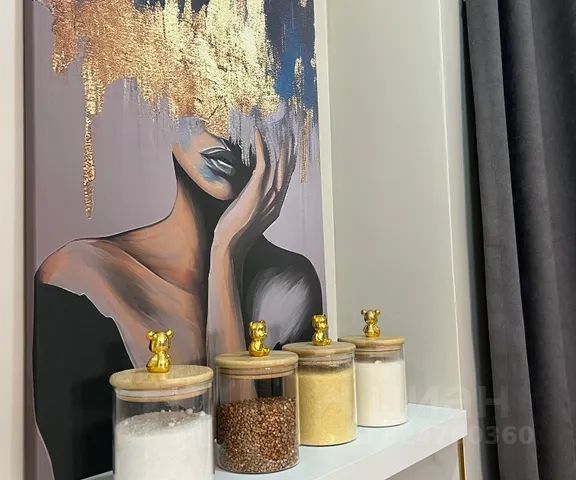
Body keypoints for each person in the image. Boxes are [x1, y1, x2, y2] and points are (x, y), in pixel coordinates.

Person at [34, 124, 322, 480]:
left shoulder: (289, 284)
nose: (228, 130)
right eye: (204, 100)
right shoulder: (80, 274)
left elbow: (248, 453)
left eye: (254, 108)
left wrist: (225, 255)